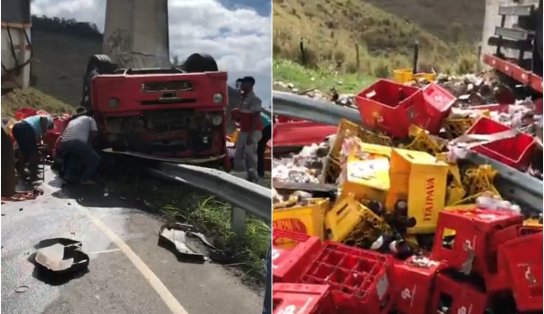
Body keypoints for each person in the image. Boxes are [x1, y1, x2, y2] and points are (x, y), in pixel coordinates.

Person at [232, 76, 263, 183]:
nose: (241, 85)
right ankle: (241, 175)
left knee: (250, 154)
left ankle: (253, 177)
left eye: (244, 83)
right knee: (239, 154)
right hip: (244, 130)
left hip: (253, 131)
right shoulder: (243, 98)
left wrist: (250, 134)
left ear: (250, 85)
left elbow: (256, 117)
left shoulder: (255, 99)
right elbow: (243, 116)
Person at [58, 107, 100, 185]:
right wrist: (89, 143)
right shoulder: (90, 119)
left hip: (63, 143)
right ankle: (85, 179)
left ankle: (68, 176)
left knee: (76, 157)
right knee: (95, 158)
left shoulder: (73, 121)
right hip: (75, 142)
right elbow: (94, 133)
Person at [11, 114, 53, 181]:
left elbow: (33, 142)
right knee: (35, 155)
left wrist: (39, 146)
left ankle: (22, 173)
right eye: (48, 128)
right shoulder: (48, 119)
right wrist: (44, 130)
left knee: (22, 150)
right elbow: (43, 118)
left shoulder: (36, 126)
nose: (47, 130)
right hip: (26, 128)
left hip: (16, 127)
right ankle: (33, 176)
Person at [257, 110, 271, 178]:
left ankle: (260, 173)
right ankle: (260, 172)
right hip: (269, 128)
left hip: (266, 129)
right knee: (260, 151)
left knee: (259, 151)